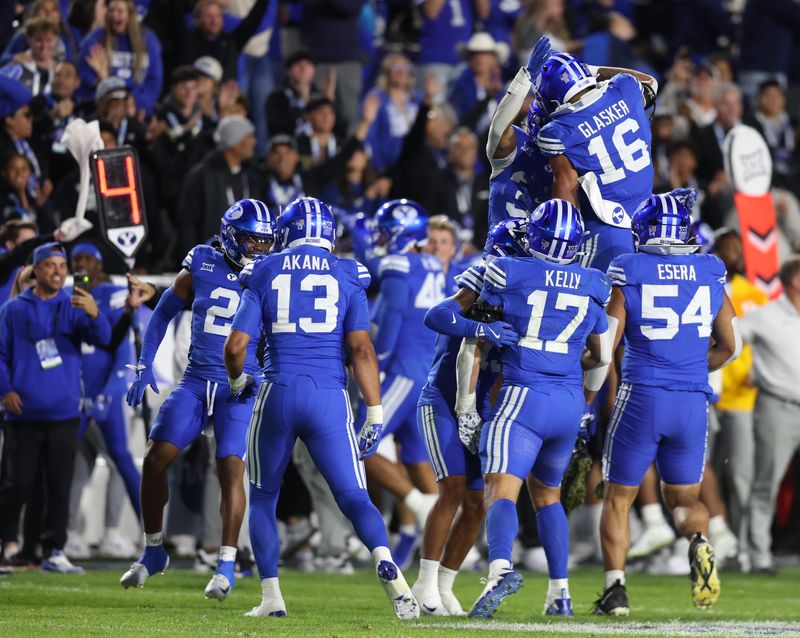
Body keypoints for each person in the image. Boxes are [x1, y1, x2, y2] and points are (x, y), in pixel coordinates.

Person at [223, 196, 419, 620]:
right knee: (353, 495)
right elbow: (362, 349)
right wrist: (375, 412)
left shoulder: (263, 269)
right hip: (329, 395)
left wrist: (238, 382)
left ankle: (272, 598)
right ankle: (386, 562)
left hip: (278, 390)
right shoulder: (348, 272)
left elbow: (236, 347)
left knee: (263, 497)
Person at [464, 200, 612, 619]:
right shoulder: (593, 282)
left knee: (500, 489)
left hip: (523, 397)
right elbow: (601, 356)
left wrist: (467, 405)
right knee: (548, 497)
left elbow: (477, 339)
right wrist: (573, 377)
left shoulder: (509, 271)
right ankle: (560, 593)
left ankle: (499, 569)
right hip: (568, 403)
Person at [120, 200, 274, 600]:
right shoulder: (203, 261)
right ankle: (154, 550)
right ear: (230, 237)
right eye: (252, 241)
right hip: (196, 380)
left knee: (230, 468)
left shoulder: (271, 272)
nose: (259, 249)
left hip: (240, 386)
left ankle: (226, 564)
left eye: (265, 242)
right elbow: (163, 313)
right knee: (156, 458)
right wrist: (144, 364)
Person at [594, 192, 740, 615]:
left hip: (643, 395)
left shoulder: (630, 267)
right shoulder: (709, 270)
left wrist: (587, 392)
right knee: (684, 500)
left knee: (619, 497)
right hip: (692, 401)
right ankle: (699, 540)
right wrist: (689, 367)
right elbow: (730, 345)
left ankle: (616, 591)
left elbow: (605, 347)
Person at [412, 218, 527, 616]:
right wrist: (481, 329)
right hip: (442, 400)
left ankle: (445, 584)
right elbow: (436, 316)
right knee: (453, 487)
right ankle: (424, 582)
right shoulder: (480, 282)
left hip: (483, 405)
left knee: (477, 502)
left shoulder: (530, 292)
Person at [0, 242, 110, 572]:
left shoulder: (74, 305)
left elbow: (103, 339)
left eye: (62, 266)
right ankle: (9, 543)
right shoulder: (13, 309)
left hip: (63, 412)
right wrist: (5, 390)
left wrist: (94, 313)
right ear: (36, 270)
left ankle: (54, 550)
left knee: (59, 486)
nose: (58, 272)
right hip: (23, 413)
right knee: (18, 484)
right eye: (50, 265)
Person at [361, 200, 446, 542]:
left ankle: (419, 506)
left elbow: (391, 324)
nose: (380, 239)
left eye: (385, 232)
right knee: (416, 459)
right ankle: (449, 539)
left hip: (403, 371)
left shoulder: (398, 265)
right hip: (426, 373)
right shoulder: (432, 264)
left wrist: (375, 366)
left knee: (357, 443)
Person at [534, 50, 658, 273]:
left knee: (593, 294)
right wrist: (592, 71)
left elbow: (566, 191)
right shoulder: (625, 88)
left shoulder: (558, 131)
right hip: (650, 221)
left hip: (608, 229)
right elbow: (650, 83)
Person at [69, 242, 141, 520]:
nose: (81, 264)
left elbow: (120, 347)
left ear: (99, 263)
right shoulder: (70, 296)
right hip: (77, 395)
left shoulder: (112, 294)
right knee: (64, 463)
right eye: (76, 259)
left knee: (121, 458)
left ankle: (149, 529)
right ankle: (59, 532)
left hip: (104, 393)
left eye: (87, 258)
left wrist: (110, 389)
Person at [739, 256, 800, 574]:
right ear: (795, 282)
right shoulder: (765, 316)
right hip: (779, 407)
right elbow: (730, 339)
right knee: (766, 481)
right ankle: (757, 554)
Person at [485, 36, 553, 249]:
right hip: (501, 254)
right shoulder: (516, 143)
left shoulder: (566, 158)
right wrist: (524, 80)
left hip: (541, 259)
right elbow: (499, 128)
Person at [177, 116, 259, 257]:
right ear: (235, 141)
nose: (254, 142)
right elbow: (187, 225)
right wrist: (193, 261)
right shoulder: (201, 176)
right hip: (210, 261)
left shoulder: (250, 176)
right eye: (249, 136)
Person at [78, 0, 163, 116]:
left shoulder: (148, 40)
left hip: (137, 111)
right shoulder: (94, 40)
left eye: (119, 11)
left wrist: (138, 103)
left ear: (130, 14)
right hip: (103, 109)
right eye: (111, 10)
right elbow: (85, 77)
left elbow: (154, 81)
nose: (114, 15)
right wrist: (106, 93)